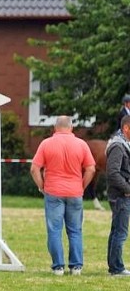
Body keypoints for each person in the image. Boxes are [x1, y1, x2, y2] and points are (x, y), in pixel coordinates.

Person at [30, 115, 96, 276]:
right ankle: (76, 267)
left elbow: (34, 168)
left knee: (54, 230)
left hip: (53, 192)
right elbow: (91, 169)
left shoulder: (46, 144)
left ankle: (58, 267)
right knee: (75, 231)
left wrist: (42, 186)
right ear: (71, 128)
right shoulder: (81, 144)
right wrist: (81, 186)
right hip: (75, 192)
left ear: (55, 128)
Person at [106, 115, 130, 276]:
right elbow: (113, 173)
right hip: (121, 195)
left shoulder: (123, 144)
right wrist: (128, 188)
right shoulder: (118, 146)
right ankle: (117, 267)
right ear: (126, 128)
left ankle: (114, 265)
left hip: (122, 194)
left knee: (117, 231)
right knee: (120, 232)